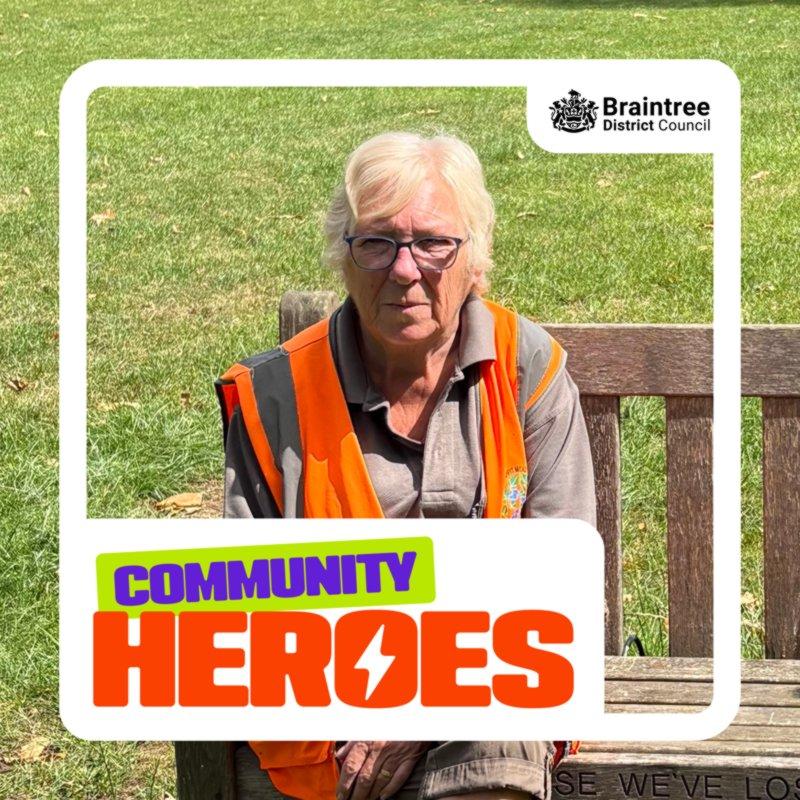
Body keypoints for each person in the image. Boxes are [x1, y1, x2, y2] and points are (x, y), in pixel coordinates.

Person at [216, 131, 596, 800]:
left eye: (433, 243)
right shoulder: (271, 398)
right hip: (331, 698)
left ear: (473, 257)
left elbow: (559, 591)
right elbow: (245, 612)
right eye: (377, 242)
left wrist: (429, 700)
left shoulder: (528, 370)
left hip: (495, 677)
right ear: (344, 256)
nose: (404, 268)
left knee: (494, 733)